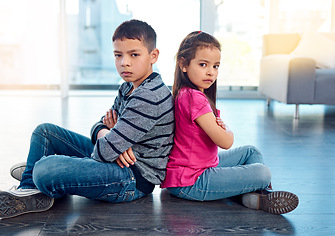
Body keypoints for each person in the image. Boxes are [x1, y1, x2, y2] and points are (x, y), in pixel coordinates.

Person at [0, 19, 174, 219]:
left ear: (154, 56)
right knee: (45, 131)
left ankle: (38, 175)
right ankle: (30, 190)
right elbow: (101, 125)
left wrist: (112, 141)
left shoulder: (149, 96)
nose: (124, 62)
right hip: (116, 162)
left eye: (134, 54)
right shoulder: (128, 86)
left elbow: (104, 152)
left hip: (132, 178)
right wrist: (108, 133)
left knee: (44, 169)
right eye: (118, 55)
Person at [160, 31, 299, 214]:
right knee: (263, 173)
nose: (211, 72)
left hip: (197, 169)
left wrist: (220, 128)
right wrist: (228, 130)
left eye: (216, 66)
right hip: (192, 182)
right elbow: (226, 142)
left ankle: (255, 195)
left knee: (251, 151)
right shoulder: (195, 99)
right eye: (203, 65)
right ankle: (257, 194)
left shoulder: (185, 93)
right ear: (183, 64)